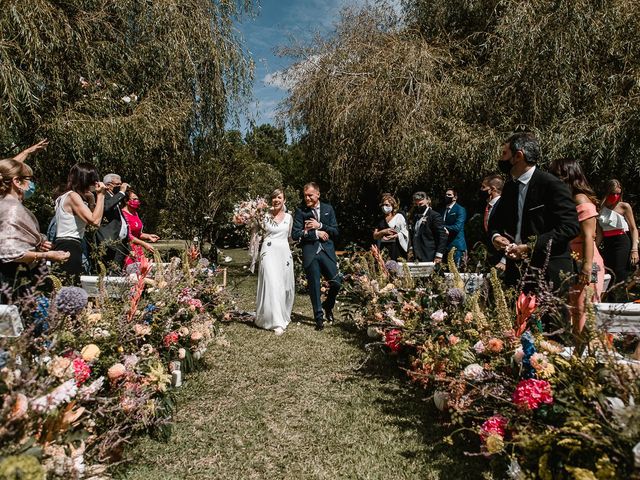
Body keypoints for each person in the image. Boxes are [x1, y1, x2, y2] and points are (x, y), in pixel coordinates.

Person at [489, 132, 580, 292]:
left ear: (518, 156)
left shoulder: (552, 185)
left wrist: (531, 246)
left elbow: (570, 227)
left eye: (504, 153)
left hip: (548, 271)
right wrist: (496, 236)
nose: (501, 159)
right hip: (516, 270)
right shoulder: (510, 187)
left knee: (550, 318)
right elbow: (496, 222)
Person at [0, 159, 69, 302]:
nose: (31, 184)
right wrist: (48, 255)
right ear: (17, 182)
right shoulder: (12, 209)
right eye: (29, 179)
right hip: (12, 281)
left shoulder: (4, 204)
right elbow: (11, 253)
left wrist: (38, 242)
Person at [550, 158, 604, 333]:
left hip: (586, 261)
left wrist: (587, 267)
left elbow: (589, 236)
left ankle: (586, 354)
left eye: (556, 175)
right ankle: (578, 353)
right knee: (575, 310)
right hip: (573, 260)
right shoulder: (568, 200)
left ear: (568, 176)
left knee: (584, 311)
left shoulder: (581, 200)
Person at [292, 182, 342, 331]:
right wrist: (315, 233)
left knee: (336, 282)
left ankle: (328, 305)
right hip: (310, 252)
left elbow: (335, 231)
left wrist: (319, 226)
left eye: (310, 195)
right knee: (314, 285)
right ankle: (318, 318)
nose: (307, 198)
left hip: (327, 251)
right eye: (305, 195)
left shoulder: (328, 209)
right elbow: (295, 234)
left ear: (318, 194)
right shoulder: (300, 211)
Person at [53, 163, 106, 285]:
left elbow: (89, 219)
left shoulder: (64, 196)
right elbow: (95, 221)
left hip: (67, 243)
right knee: (70, 287)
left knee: (69, 285)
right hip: (70, 245)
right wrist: (101, 196)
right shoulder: (73, 196)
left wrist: (92, 201)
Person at [255, 189, 295, 335]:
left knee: (283, 285)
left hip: (283, 253)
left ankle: (280, 315)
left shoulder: (289, 218)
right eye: (274, 197)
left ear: (284, 200)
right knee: (271, 283)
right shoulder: (264, 216)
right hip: (268, 252)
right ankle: (277, 322)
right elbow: (257, 232)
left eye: (279, 197)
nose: (276, 200)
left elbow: (291, 237)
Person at [597, 179, 638, 290]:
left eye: (618, 193)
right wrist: (594, 248)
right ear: (606, 192)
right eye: (612, 193)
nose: (615, 196)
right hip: (607, 242)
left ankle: (621, 298)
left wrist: (634, 250)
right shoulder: (600, 207)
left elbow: (634, 228)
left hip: (622, 241)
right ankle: (610, 299)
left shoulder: (624, 206)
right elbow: (600, 232)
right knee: (608, 271)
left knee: (620, 272)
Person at [96, 173, 130, 273]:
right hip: (109, 242)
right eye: (118, 185)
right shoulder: (103, 196)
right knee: (109, 272)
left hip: (120, 242)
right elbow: (106, 207)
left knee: (117, 271)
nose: (120, 187)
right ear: (108, 185)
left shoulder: (114, 197)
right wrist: (121, 193)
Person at [121, 190, 159, 266]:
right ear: (126, 201)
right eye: (134, 199)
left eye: (137, 199)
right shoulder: (123, 214)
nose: (137, 201)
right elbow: (128, 235)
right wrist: (144, 244)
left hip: (138, 249)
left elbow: (138, 234)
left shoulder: (135, 213)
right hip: (129, 250)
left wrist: (148, 236)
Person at [409, 192, 447, 263]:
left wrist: (439, 255)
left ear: (427, 201)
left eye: (421, 204)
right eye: (416, 204)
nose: (418, 206)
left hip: (430, 254)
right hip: (417, 255)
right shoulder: (415, 217)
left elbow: (442, 236)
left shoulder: (434, 216)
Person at [480, 174, 506, 271]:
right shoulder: (488, 206)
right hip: (490, 257)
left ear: (492, 189)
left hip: (502, 259)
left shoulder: (503, 206)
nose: (481, 190)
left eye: (483, 187)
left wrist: (504, 261)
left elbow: (510, 234)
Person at [373, 194, 408, 260]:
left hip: (397, 248)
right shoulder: (380, 219)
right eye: (383, 205)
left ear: (392, 206)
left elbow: (404, 231)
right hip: (384, 249)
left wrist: (396, 235)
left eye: (387, 205)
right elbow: (375, 236)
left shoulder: (399, 217)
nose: (384, 207)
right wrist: (383, 231)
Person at [437, 188, 467, 266]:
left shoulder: (460, 210)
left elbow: (457, 227)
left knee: (456, 272)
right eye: (446, 195)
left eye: (449, 195)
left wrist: (442, 227)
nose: (447, 196)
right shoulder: (442, 210)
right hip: (444, 246)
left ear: (455, 197)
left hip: (456, 246)